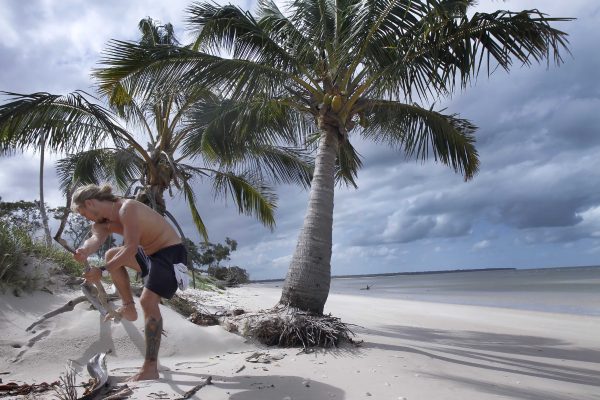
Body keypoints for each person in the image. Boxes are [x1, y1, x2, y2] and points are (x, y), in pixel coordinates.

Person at [71, 184, 188, 381]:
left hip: (170, 252)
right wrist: (84, 251)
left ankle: (150, 367)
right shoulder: (101, 223)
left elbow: (131, 247)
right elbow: (95, 240)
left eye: (84, 213)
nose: (86, 218)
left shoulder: (127, 208)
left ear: (90, 203)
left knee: (148, 302)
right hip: (149, 255)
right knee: (110, 254)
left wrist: (102, 271)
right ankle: (128, 306)